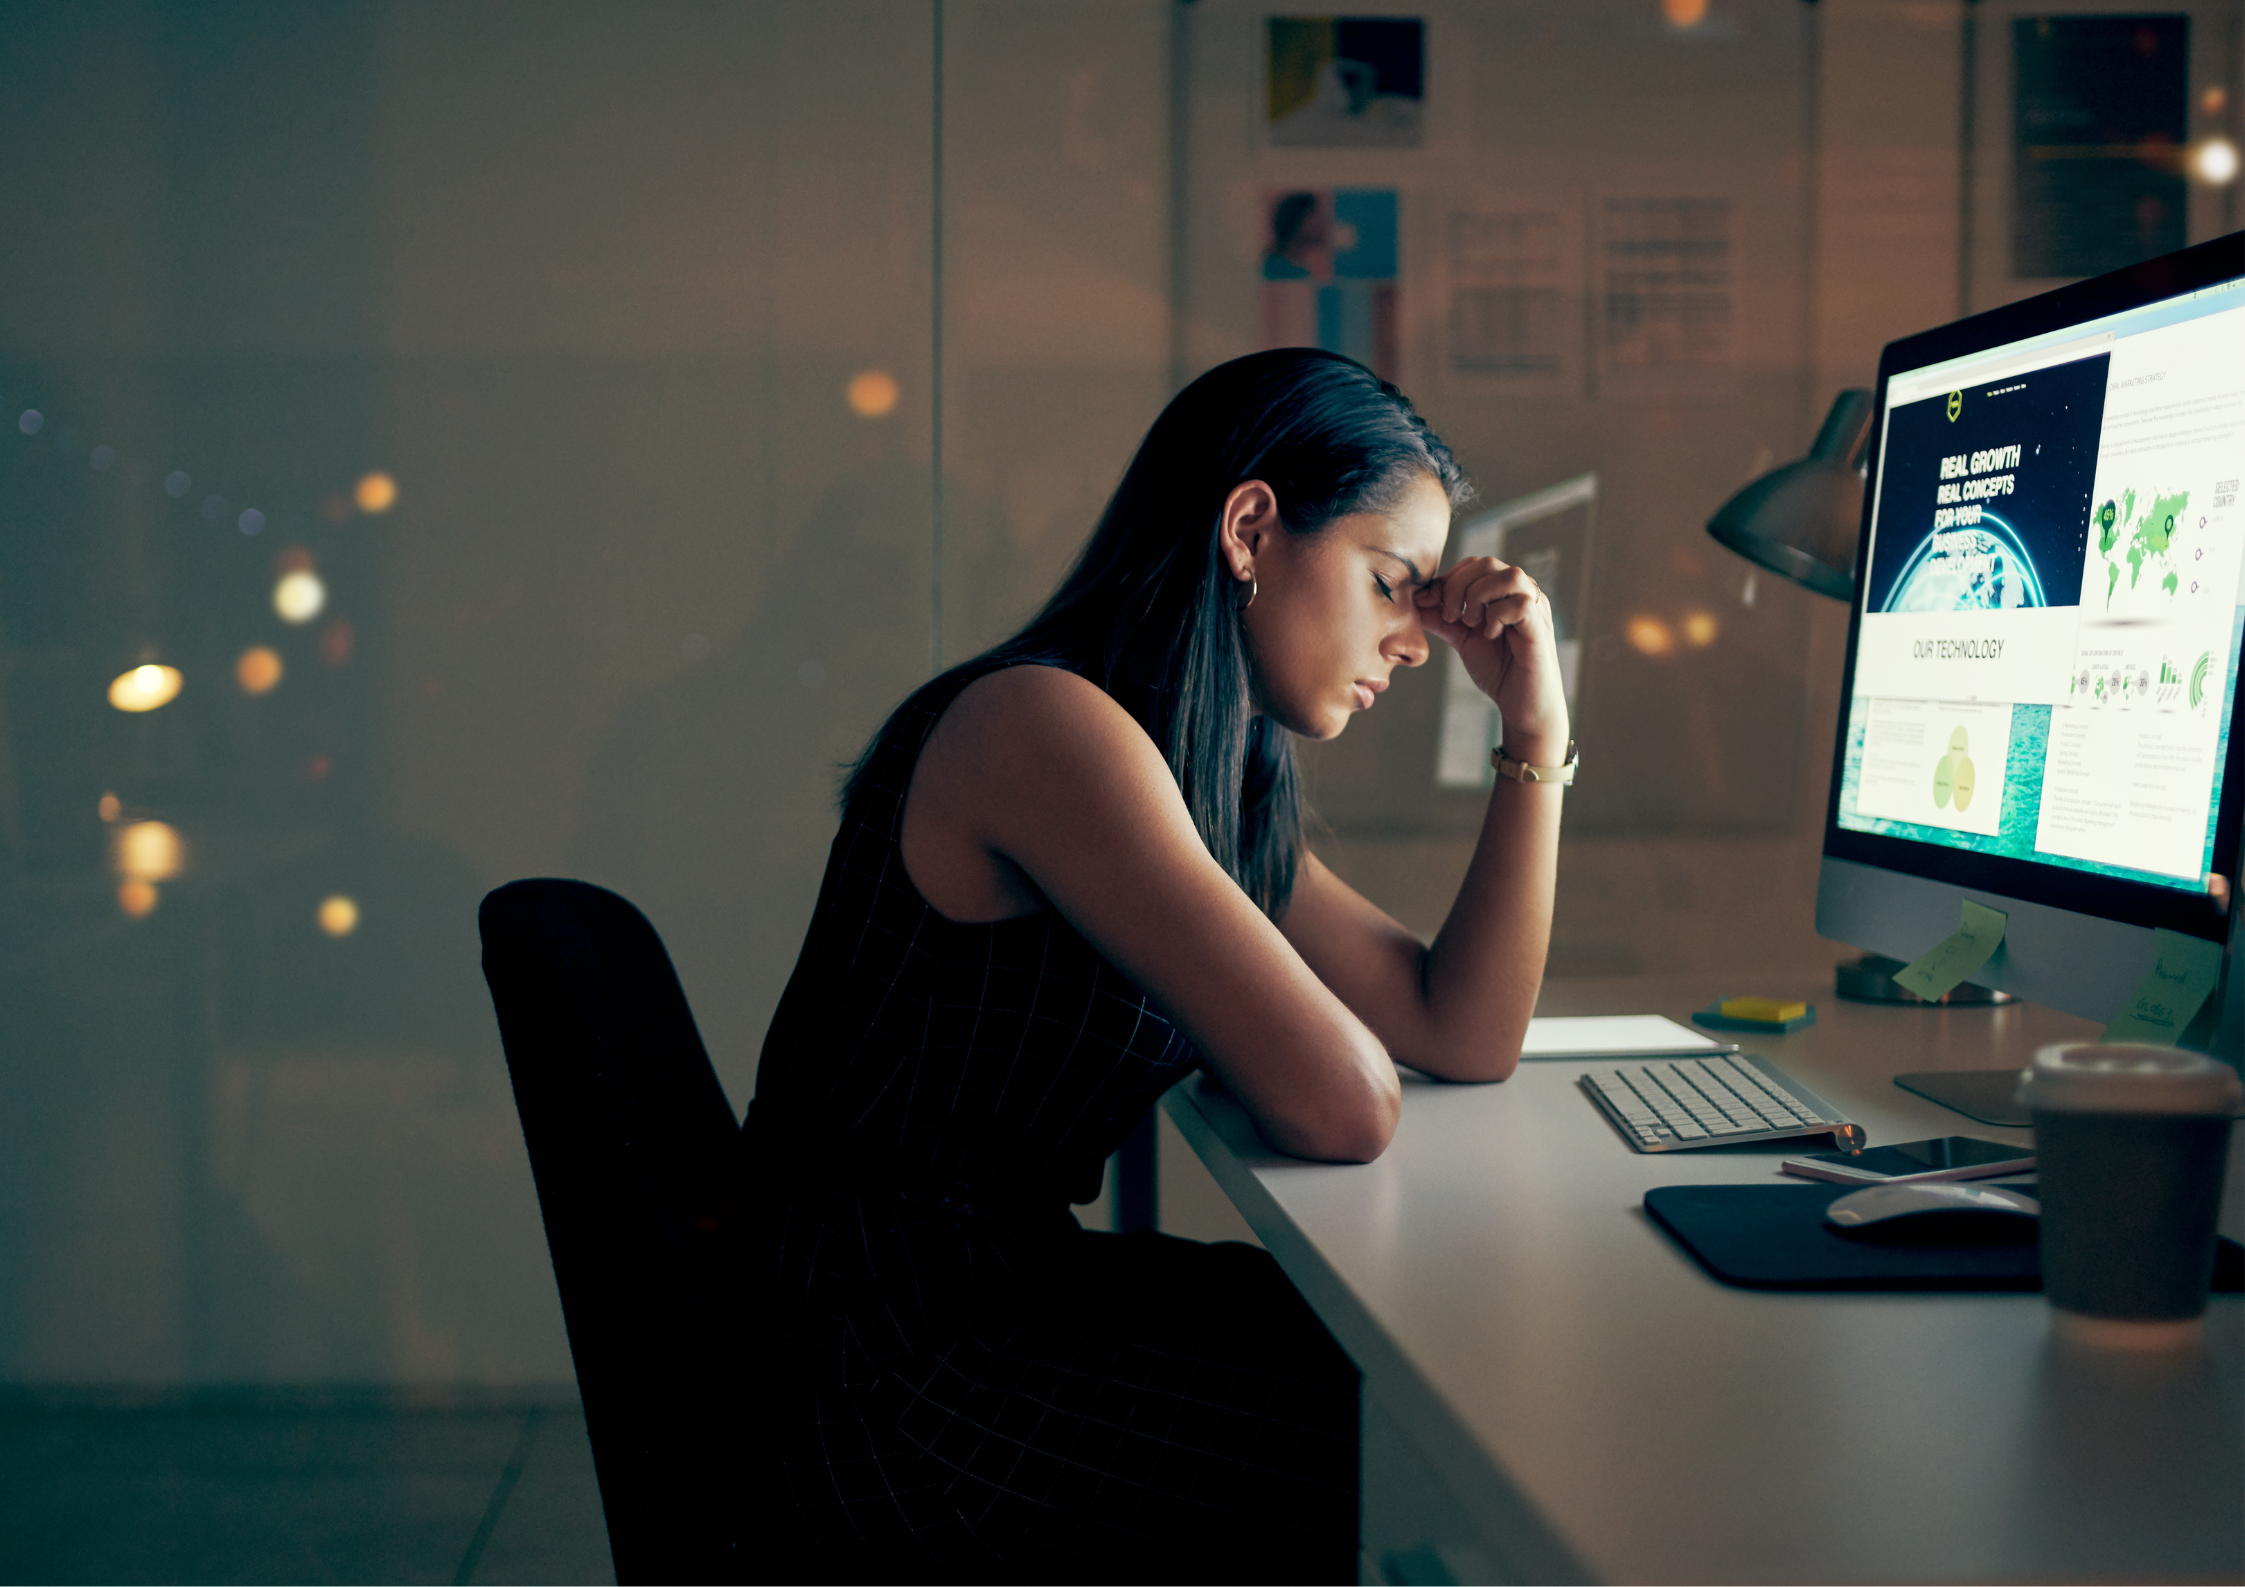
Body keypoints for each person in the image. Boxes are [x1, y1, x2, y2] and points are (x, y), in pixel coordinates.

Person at [742, 348, 1568, 1583]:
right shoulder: (1047, 729)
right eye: (1392, 583)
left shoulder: (1202, 768)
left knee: (1407, 1369)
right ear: (1250, 529)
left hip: (982, 1299)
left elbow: (1460, 1029)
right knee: (1408, 1428)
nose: (1411, 642)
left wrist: (1536, 733)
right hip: (881, 1364)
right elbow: (1348, 1105)